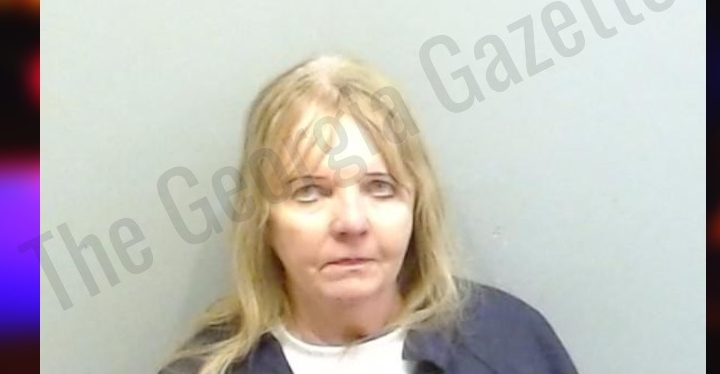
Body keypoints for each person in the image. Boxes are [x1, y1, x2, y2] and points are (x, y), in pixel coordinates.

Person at [158, 54, 578, 374]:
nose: (352, 222)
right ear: (262, 219)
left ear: (416, 206)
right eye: (310, 192)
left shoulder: (508, 345)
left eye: (380, 187)